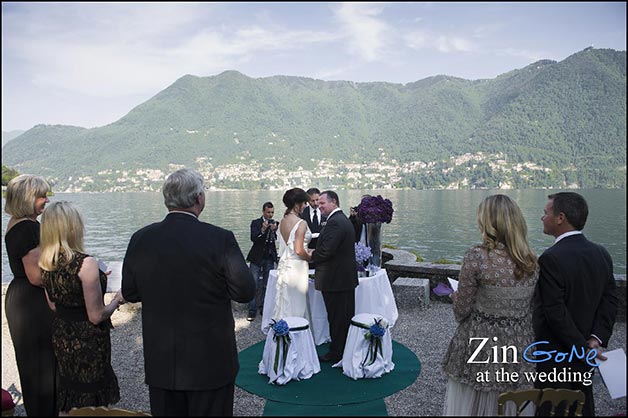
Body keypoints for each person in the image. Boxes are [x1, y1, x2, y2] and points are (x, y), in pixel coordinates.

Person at [121, 168, 255, 416]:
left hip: (162, 362)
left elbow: (130, 292)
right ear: (199, 199)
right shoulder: (220, 239)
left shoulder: (141, 239)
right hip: (211, 362)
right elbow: (245, 292)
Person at [441, 194, 539, 416]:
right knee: (512, 403)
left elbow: (461, 311)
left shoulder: (478, 256)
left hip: (481, 343)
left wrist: (455, 297)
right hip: (518, 344)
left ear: (487, 222)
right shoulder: (531, 260)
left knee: (475, 405)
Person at [533, 192, 617, 416]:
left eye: (546, 213)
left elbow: (554, 312)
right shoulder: (601, 254)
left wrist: (579, 347)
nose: (542, 217)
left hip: (555, 355)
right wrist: (594, 339)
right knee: (583, 405)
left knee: (552, 408)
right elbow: (610, 300)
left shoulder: (551, 258)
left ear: (560, 218)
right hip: (587, 352)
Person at [39, 201, 124, 414]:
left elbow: (52, 304)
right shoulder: (86, 264)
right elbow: (96, 315)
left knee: (69, 391)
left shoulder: (45, 262)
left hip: (62, 334)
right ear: (73, 227)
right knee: (91, 397)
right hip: (88, 339)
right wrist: (116, 300)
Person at [3, 174, 58, 416]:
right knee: (44, 365)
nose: (46, 200)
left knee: (30, 364)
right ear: (27, 198)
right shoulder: (28, 228)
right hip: (33, 301)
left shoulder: (15, 222)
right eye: (41, 196)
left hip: (20, 296)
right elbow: (37, 276)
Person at [312, 190, 358, 363]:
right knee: (344, 317)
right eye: (318, 203)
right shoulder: (342, 220)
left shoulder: (334, 223)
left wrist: (309, 254)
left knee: (337, 318)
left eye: (322, 203)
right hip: (343, 279)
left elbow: (326, 251)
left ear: (334, 202)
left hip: (335, 280)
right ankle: (344, 349)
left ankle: (336, 353)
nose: (319, 206)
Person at [272, 188, 313, 323]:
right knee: (297, 305)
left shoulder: (283, 221)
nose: (306, 205)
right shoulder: (301, 223)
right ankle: (297, 334)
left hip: (286, 266)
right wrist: (311, 256)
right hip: (297, 268)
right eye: (304, 203)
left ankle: (285, 333)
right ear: (297, 204)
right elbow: (299, 250)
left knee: (287, 303)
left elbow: (288, 245)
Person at [245, 202, 278, 321]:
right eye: (268, 212)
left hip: (269, 257)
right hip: (256, 257)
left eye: (272, 212)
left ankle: (264, 308)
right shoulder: (255, 223)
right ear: (263, 212)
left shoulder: (275, 223)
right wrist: (263, 230)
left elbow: (276, 239)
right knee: (253, 284)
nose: (270, 215)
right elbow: (253, 238)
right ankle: (252, 310)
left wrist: (274, 230)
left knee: (267, 285)